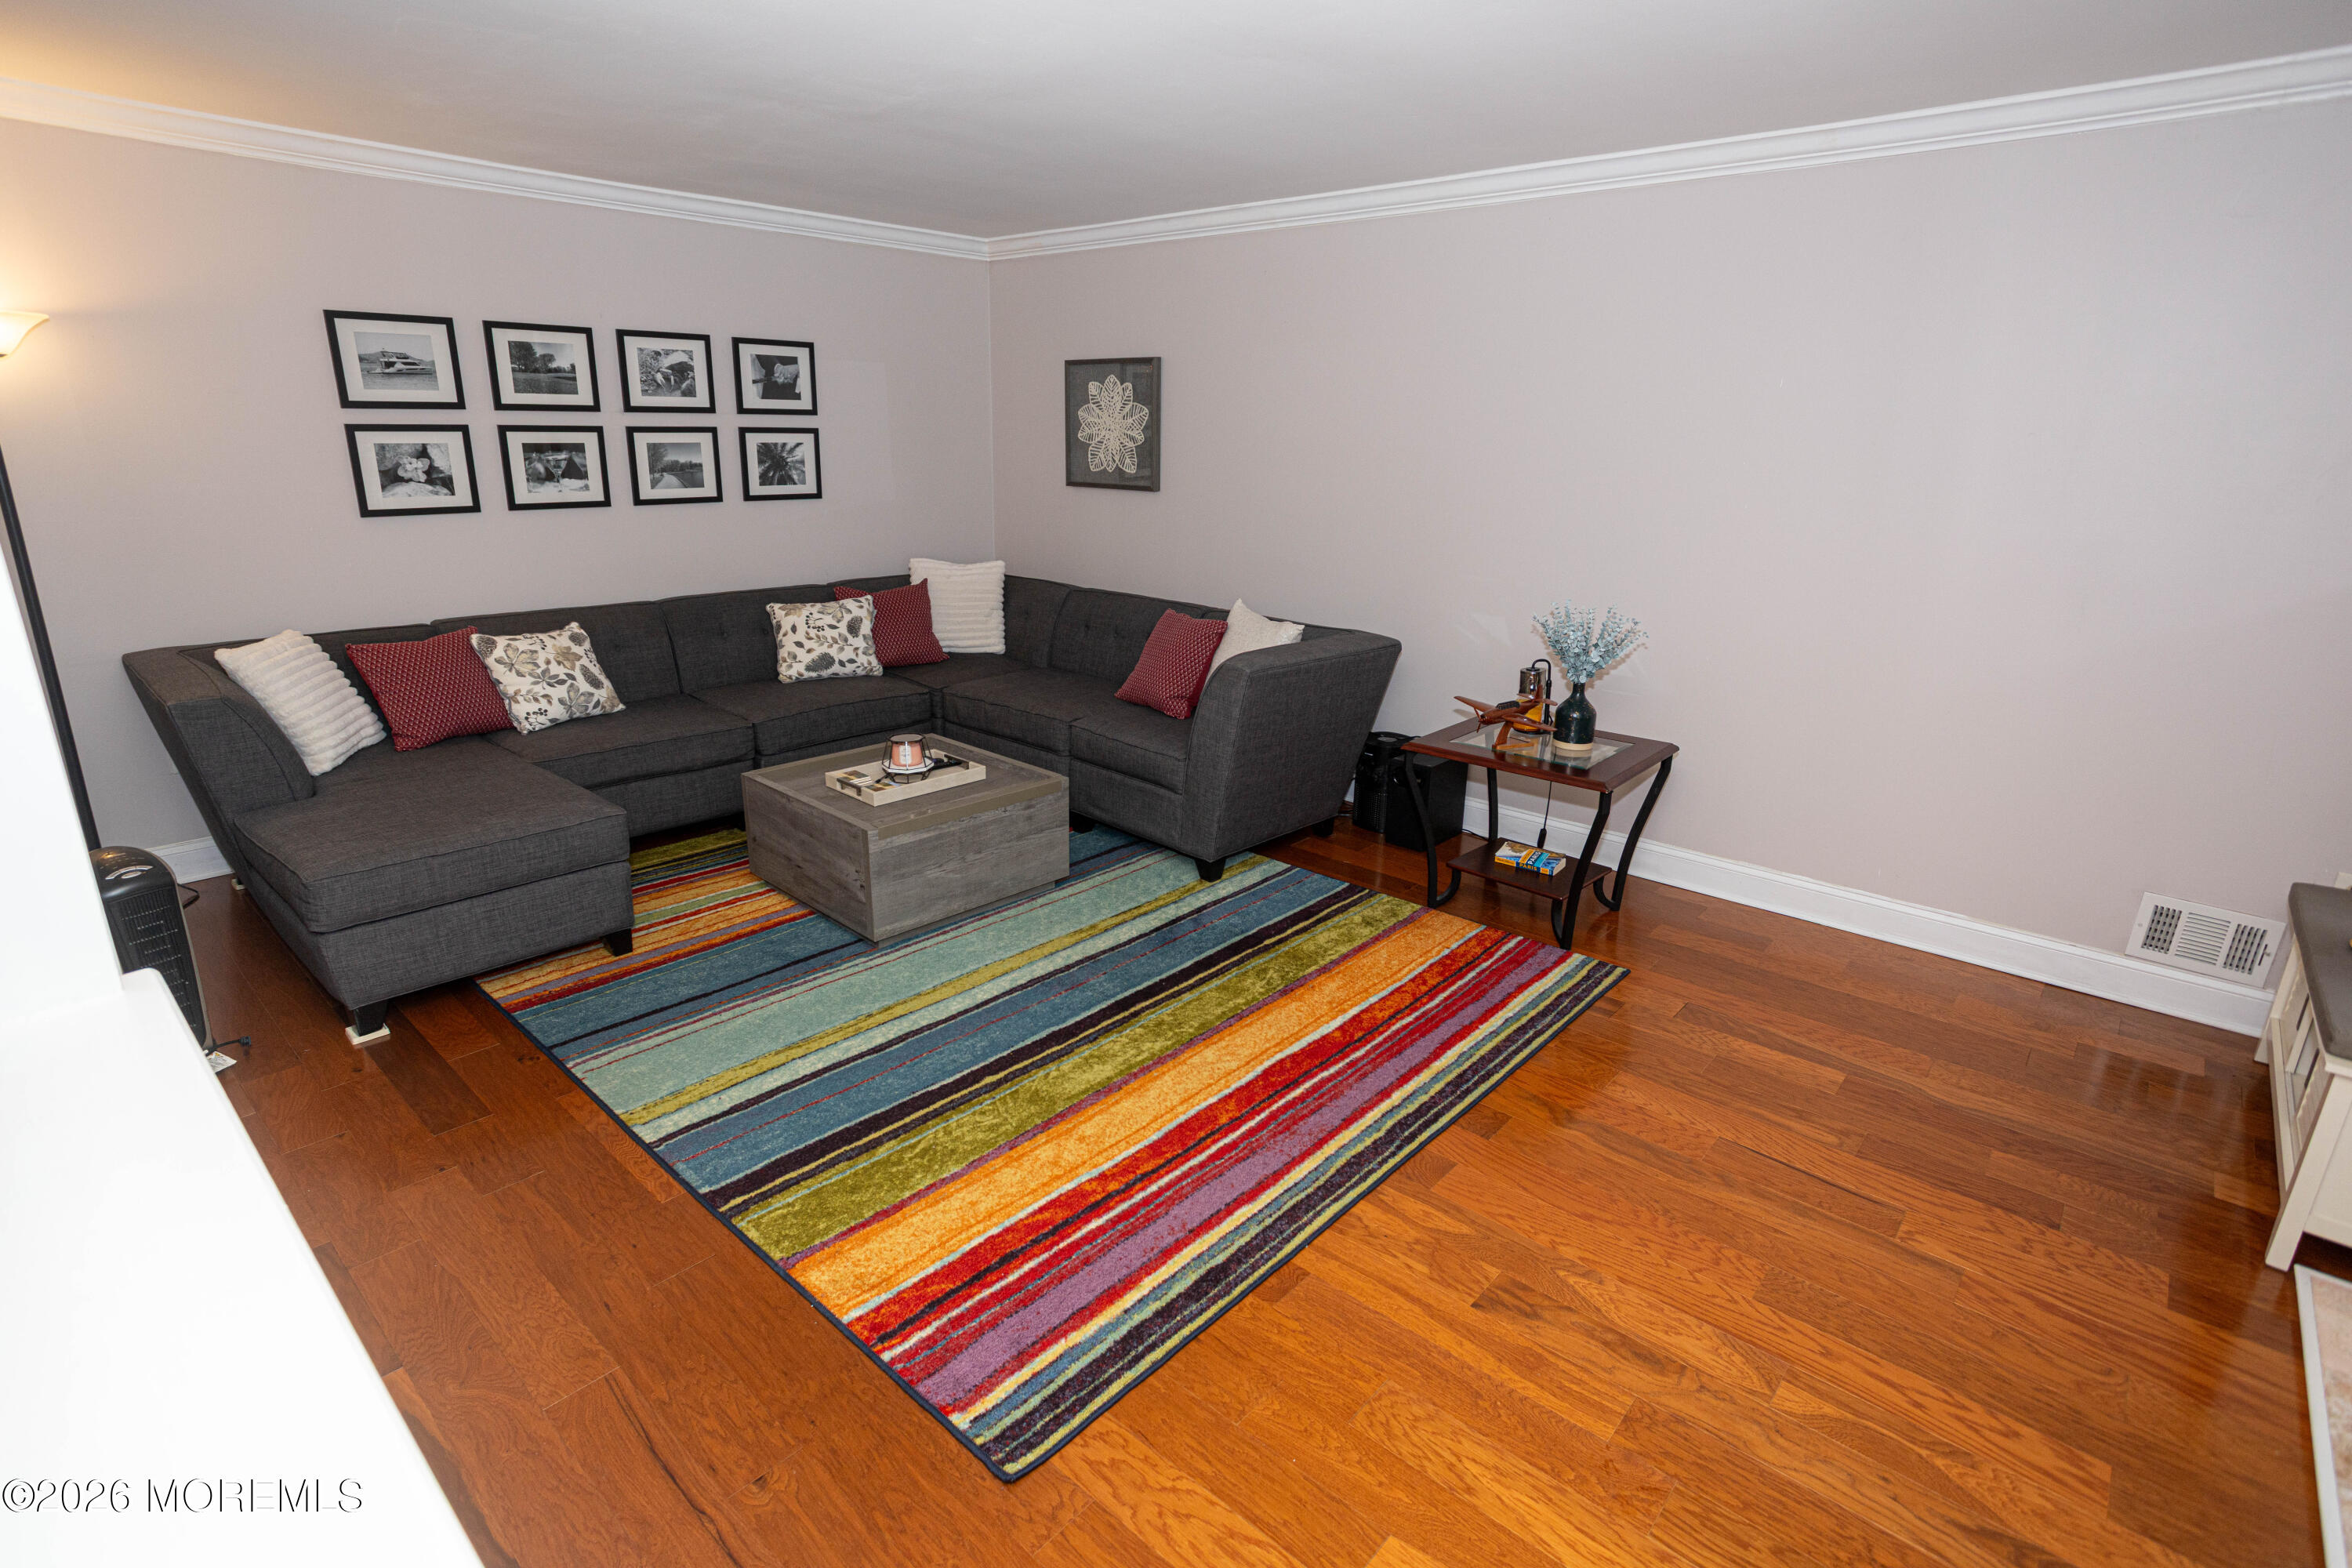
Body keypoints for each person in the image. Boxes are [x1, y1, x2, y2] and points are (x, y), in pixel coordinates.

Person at [380, 448, 452, 497]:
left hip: (415, 469)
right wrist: (408, 465)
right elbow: (402, 464)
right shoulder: (406, 466)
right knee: (407, 477)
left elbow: (422, 465)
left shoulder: (417, 466)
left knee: (418, 477)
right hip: (410, 472)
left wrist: (417, 471)